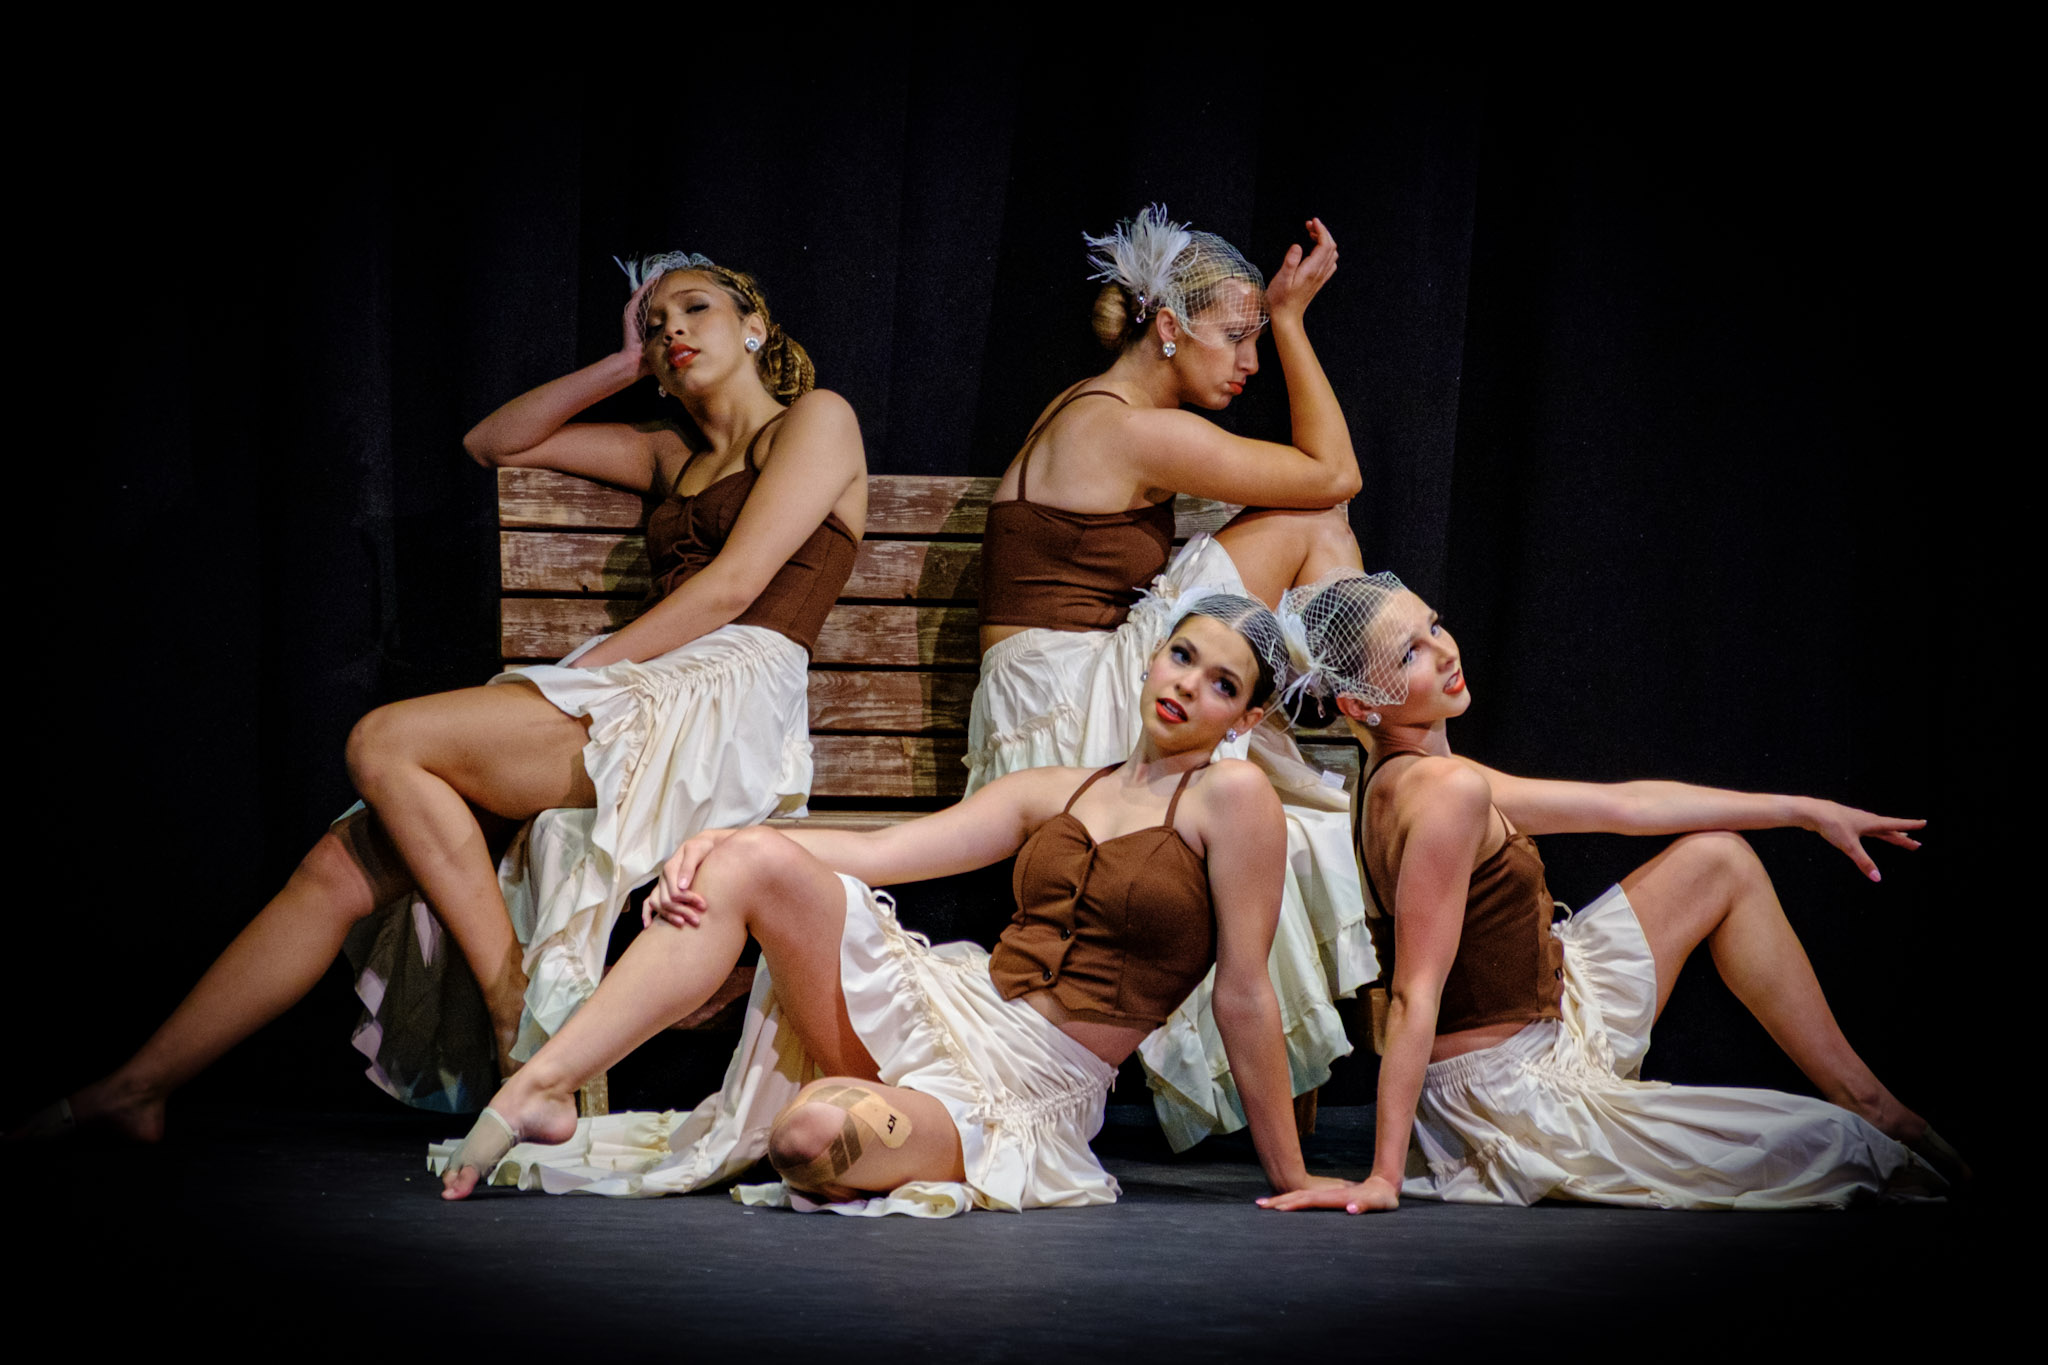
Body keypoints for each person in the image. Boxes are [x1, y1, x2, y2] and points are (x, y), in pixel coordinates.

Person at [19, 252, 865, 1139]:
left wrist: (588, 674)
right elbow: (496, 442)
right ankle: (141, 1087)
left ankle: (510, 1005)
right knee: (339, 865)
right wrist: (623, 364)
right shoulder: (668, 452)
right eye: (655, 325)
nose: (672, 330)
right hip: (643, 689)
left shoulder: (816, 419)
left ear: (755, 326)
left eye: (695, 309)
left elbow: (733, 587)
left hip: (723, 703)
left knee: (386, 741)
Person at [436, 595, 1346, 1216]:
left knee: (808, 1136)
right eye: (1181, 656)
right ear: (1151, 658)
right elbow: (878, 855)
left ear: (1246, 719)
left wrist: (1292, 1174)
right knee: (751, 859)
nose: (1186, 685)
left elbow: (1244, 992)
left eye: (1222, 683)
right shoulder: (1055, 788)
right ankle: (538, 1087)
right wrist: (711, 841)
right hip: (946, 1006)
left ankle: (866, 1116)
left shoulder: (1233, 799)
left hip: (1028, 1086)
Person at [1259, 572, 1959, 1213]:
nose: (1444, 652)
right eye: (1410, 653)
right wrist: (1385, 1175)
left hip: (1555, 1000)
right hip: (1511, 1087)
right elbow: (1415, 994)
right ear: (1361, 703)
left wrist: (1806, 811)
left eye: (1434, 625)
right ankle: (1868, 1116)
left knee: (1718, 860)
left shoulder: (1418, 775)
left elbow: (1623, 805)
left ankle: (1869, 1097)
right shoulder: (1446, 794)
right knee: (1839, 1151)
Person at [970, 205, 1370, 1148]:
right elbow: (1335, 472)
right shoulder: (1125, 427)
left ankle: (1352, 708)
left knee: (1305, 534)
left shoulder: (1096, 409)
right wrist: (1296, 320)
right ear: (1167, 327)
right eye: (1237, 336)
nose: (1250, 362)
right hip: (1072, 699)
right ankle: (1379, 726)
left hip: (1050, 692)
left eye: (1260, 339)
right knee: (1314, 519)